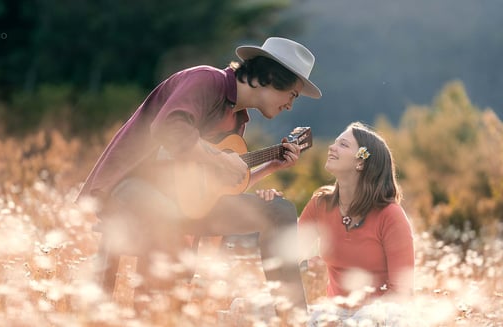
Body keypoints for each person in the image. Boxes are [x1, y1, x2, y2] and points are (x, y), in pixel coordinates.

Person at [76, 37, 322, 310]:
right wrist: (218, 157)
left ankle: (293, 316)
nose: (290, 104)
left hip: (182, 203)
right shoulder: (206, 80)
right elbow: (170, 129)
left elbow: (211, 188)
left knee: (280, 210)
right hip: (131, 187)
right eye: (292, 94)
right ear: (273, 78)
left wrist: (271, 167)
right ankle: (152, 315)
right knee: (166, 213)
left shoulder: (237, 119)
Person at [295, 122, 415, 325]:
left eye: (342, 144)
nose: (331, 148)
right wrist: (273, 206)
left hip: (381, 314)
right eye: (334, 143)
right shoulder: (320, 204)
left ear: (361, 162)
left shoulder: (390, 215)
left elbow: (401, 292)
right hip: (334, 313)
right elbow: (287, 254)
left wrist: (357, 320)